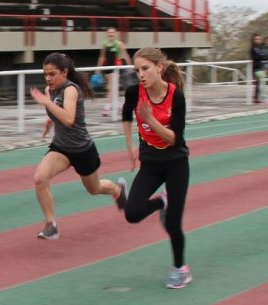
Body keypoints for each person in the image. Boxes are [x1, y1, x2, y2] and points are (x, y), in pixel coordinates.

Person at [31, 52, 127, 241]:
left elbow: (68, 119)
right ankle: (51, 225)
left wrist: (46, 103)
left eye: (52, 74)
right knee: (40, 178)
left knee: (94, 188)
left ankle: (117, 190)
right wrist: (49, 122)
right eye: (45, 74)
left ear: (64, 72)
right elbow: (57, 114)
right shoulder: (50, 90)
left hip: (82, 149)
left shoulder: (71, 90)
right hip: (61, 148)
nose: (48, 78)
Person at [120, 47, 191, 289]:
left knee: (173, 224)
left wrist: (150, 120)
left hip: (176, 165)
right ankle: (162, 201)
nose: (140, 74)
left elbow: (176, 139)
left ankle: (180, 269)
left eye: (145, 68)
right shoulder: (134, 93)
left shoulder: (176, 96)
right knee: (132, 213)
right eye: (137, 70)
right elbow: (126, 116)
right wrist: (130, 147)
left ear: (159, 68)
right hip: (150, 164)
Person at [96, 27, 131, 116]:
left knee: (111, 88)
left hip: (115, 68)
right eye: (109, 32)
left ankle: (107, 108)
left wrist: (130, 66)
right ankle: (119, 106)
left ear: (115, 33)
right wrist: (98, 68)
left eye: (112, 32)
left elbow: (126, 55)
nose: (111, 34)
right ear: (107, 34)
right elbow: (102, 57)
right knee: (112, 88)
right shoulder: (105, 44)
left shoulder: (119, 44)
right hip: (107, 68)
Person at [250, 33, 268, 104]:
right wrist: (267, 57)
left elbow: (265, 54)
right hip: (256, 68)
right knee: (261, 82)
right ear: (253, 40)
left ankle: (256, 98)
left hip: (261, 67)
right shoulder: (253, 48)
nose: (258, 40)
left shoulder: (261, 47)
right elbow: (257, 57)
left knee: (259, 82)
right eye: (256, 39)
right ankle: (265, 97)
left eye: (259, 39)